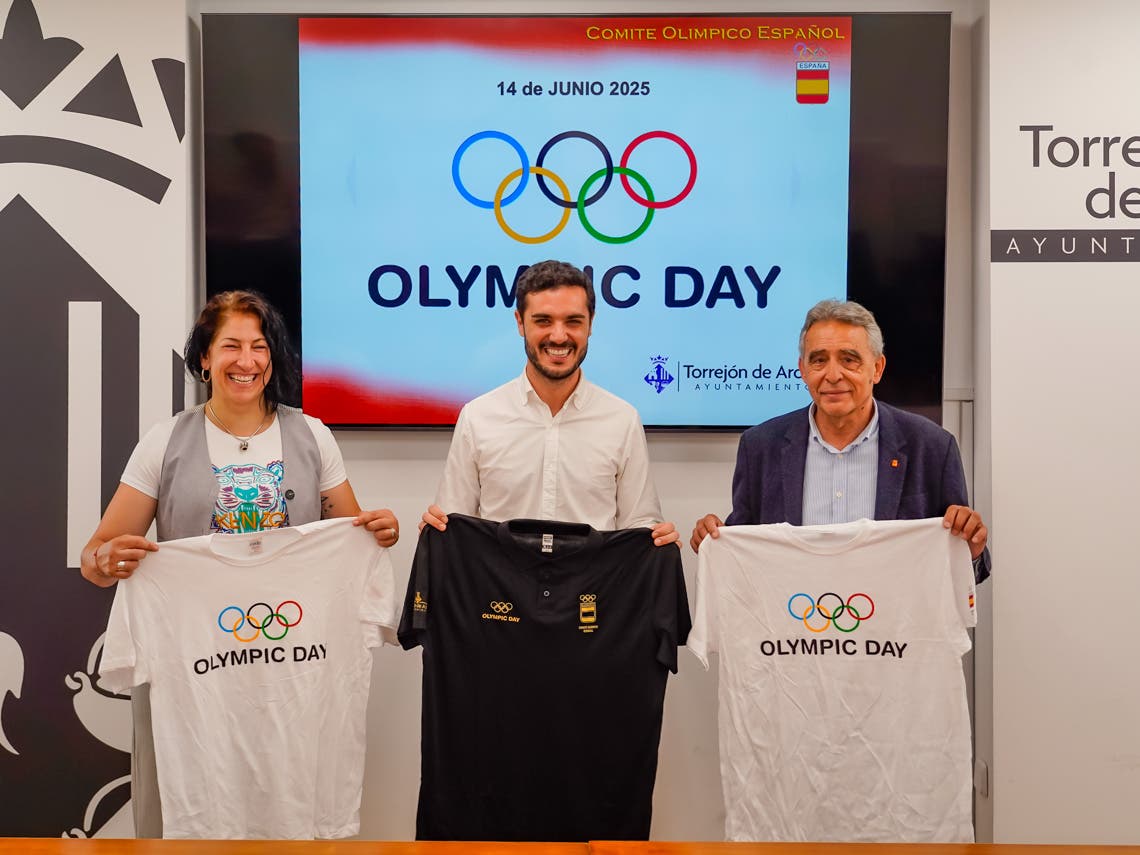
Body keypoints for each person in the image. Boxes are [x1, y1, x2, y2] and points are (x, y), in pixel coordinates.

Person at [79, 290, 400, 837]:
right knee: (186, 802)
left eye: (259, 346)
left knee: (291, 796)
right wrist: (107, 559)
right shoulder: (165, 442)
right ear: (204, 357)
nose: (246, 361)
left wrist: (378, 532)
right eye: (231, 346)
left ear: (272, 358)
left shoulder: (312, 436)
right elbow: (96, 555)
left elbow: (348, 538)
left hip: (291, 667)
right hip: (195, 670)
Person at [690, 298, 990, 581]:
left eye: (849, 360)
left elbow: (963, 569)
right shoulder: (760, 447)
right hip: (792, 616)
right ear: (802, 370)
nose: (833, 375)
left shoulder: (931, 447)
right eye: (819, 361)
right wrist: (715, 540)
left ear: (877, 368)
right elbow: (744, 558)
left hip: (893, 618)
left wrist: (971, 551)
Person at [421, 259, 678, 545]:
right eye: (543, 321)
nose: (558, 336)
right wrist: (437, 532)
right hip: (497, 577)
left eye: (573, 321)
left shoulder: (622, 420)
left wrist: (655, 538)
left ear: (591, 323)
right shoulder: (477, 417)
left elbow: (639, 528)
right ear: (520, 323)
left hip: (594, 576)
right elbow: (453, 526)